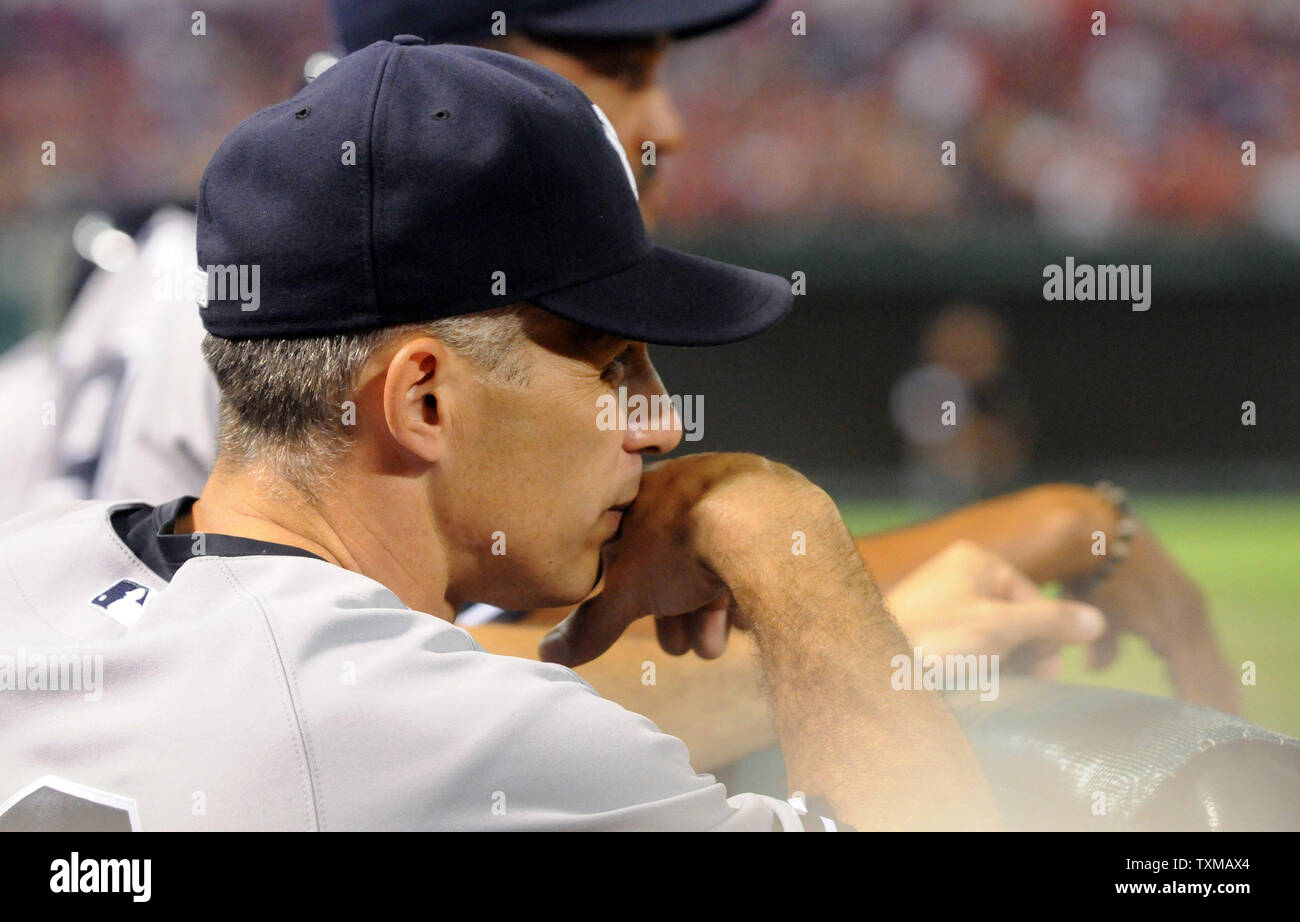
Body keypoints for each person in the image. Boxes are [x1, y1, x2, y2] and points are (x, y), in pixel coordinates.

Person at [0, 0, 1237, 770]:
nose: (667, 122)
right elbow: (469, 715)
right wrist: (854, 624)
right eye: (611, 63)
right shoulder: (344, 347)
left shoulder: (199, 281)